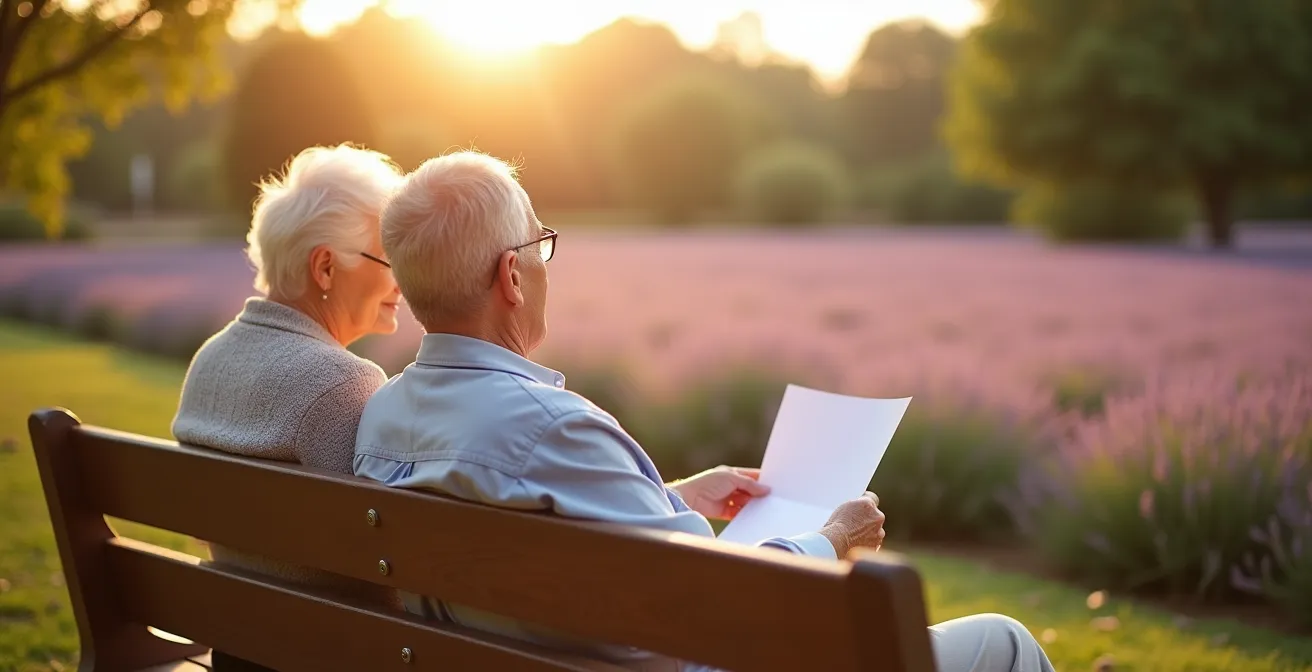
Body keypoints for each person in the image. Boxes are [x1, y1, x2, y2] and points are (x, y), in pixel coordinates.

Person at [354, 151, 1054, 672]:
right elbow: (716, 604)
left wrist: (671, 496)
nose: (544, 266)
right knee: (1003, 643)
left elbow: (543, 524)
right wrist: (833, 540)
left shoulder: (384, 418)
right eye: (541, 247)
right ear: (511, 275)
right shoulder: (555, 429)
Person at [172, 144, 406, 671]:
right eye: (390, 256)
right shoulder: (340, 384)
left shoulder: (209, 359)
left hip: (240, 651)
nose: (402, 281)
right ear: (325, 267)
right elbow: (394, 571)